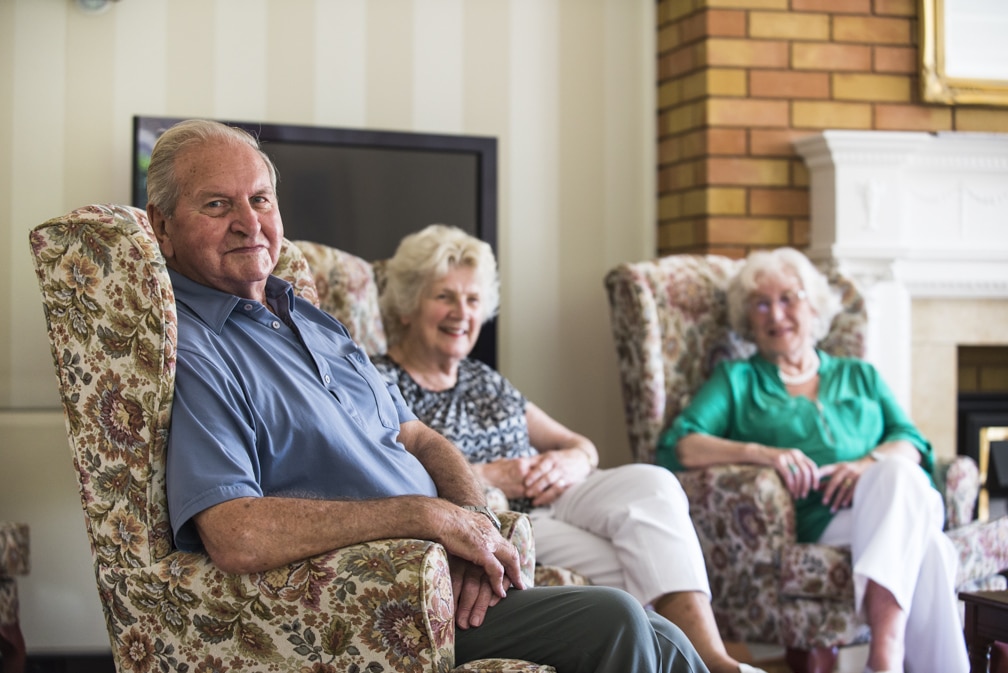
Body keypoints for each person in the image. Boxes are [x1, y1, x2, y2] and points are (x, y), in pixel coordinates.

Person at [146, 118, 709, 673]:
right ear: (163, 227)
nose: (249, 222)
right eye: (217, 205)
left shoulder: (313, 321)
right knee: (615, 617)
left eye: (261, 200)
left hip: (443, 571)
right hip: (375, 602)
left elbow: (415, 434)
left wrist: (468, 522)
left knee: (663, 635)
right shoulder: (195, 351)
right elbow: (234, 532)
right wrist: (424, 518)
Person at [371, 224, 766, 673]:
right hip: (510, 517)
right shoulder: (385, 386)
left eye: (473, 299)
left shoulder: (484, 378)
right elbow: (395, 477)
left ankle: (713, 658)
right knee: (633, 563)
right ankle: (707, 663)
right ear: (406, 306)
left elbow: (581, 445)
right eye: (444, 296)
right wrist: (490, 476)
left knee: (654, 482)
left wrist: (570, 459)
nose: (461, 312)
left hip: (562, 494)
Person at [655, 247, 969, 673]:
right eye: (761, 304)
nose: (775, 314)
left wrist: (866, 465)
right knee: (925, 539)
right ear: (749, 319)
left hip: (887, 503)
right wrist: (761, 453)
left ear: (814, 305)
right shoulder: (739, 380)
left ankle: (886, 658)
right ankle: (888, 658)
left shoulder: (860, 375)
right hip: (822, 519)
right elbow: (680, 444)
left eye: (788, 298)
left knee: (900, 483)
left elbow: (911, 440)